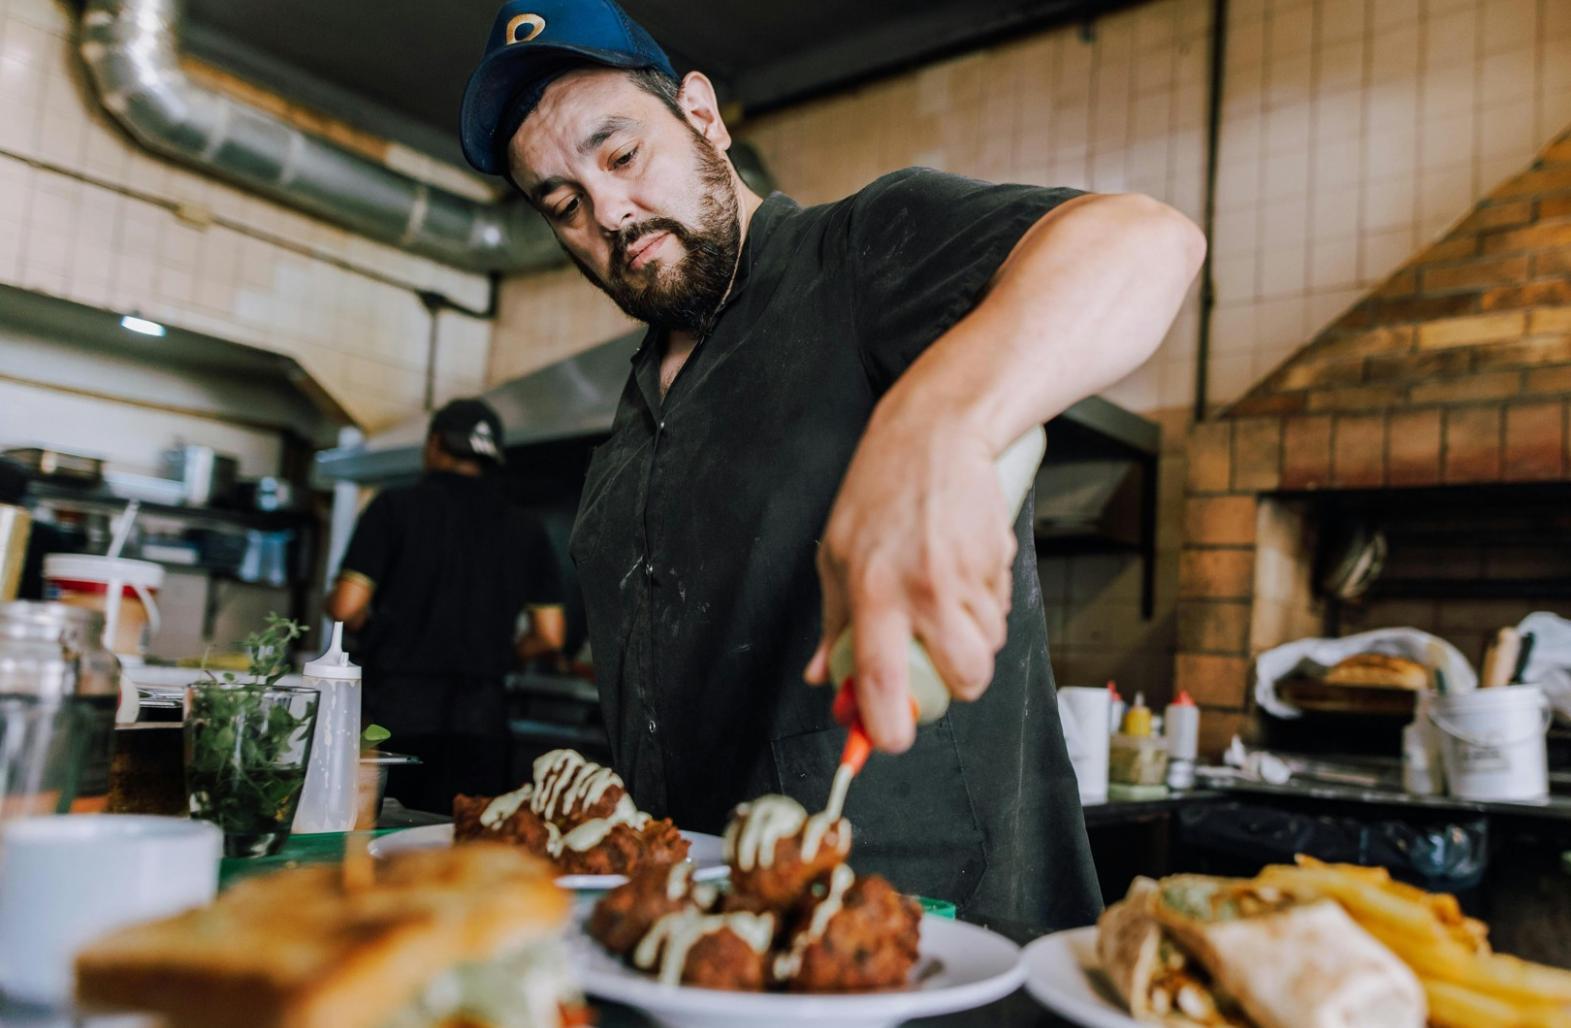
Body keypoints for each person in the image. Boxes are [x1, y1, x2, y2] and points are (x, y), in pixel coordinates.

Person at [458, 0, 1205, 928]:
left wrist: (938, 424)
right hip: (703, 942)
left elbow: (1141, 243)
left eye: (620, 156)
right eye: (562, 205)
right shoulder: (630, 424)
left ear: (701, 114)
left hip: (937, 935)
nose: (606, 212)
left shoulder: (857, 255)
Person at [326, 398, 565, 813]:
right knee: (465, 846)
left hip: (395, 716)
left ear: (434, 444)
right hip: (483, 722)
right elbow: (550, 636)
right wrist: (501, 656)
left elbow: (346, 607)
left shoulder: (393, 507)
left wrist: (377, 627)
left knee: (381, 841)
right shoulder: (526, 528)